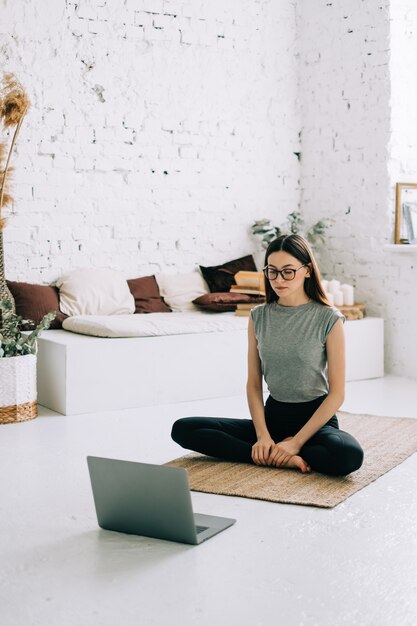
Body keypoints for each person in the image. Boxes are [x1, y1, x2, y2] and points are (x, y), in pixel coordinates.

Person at [171, 234, 364, 476]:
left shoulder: (329, 318)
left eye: (288, 271)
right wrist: (262, 435)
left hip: (315, 424)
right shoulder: (258, 316)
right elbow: (253, 384)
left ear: (306, 271)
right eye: (272, 271)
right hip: (272, 420)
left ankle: (283, 452)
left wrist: (296, 442)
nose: (278, 279)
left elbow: (337, 394)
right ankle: (276, 456)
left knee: (348, 455)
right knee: (183, 429)